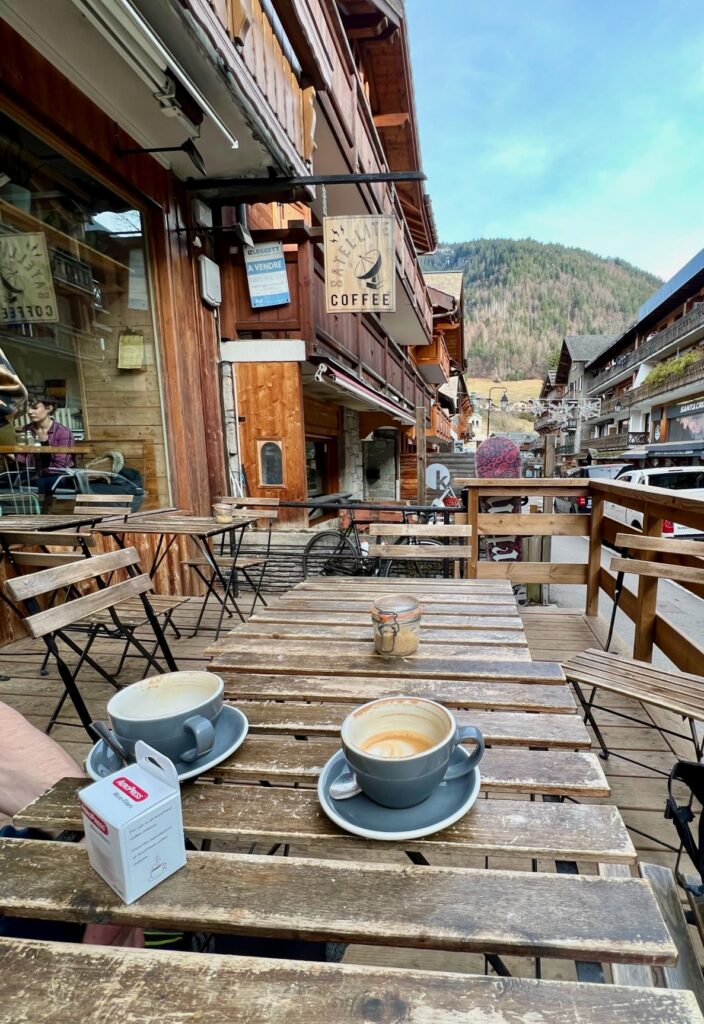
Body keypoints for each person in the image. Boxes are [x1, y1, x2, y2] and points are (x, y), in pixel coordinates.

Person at [16, 394, 76, 494]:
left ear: (48, 408)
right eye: (28, 408)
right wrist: (12, 454)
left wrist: (39, 473)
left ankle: (43, 508)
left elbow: (60, 466)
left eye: (34, 408)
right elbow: (23, 460)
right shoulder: (26, 430)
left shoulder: (63, 432)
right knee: (8, 481)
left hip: (57, 475)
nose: (30, 412)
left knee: (40, 484)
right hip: (31, 474)